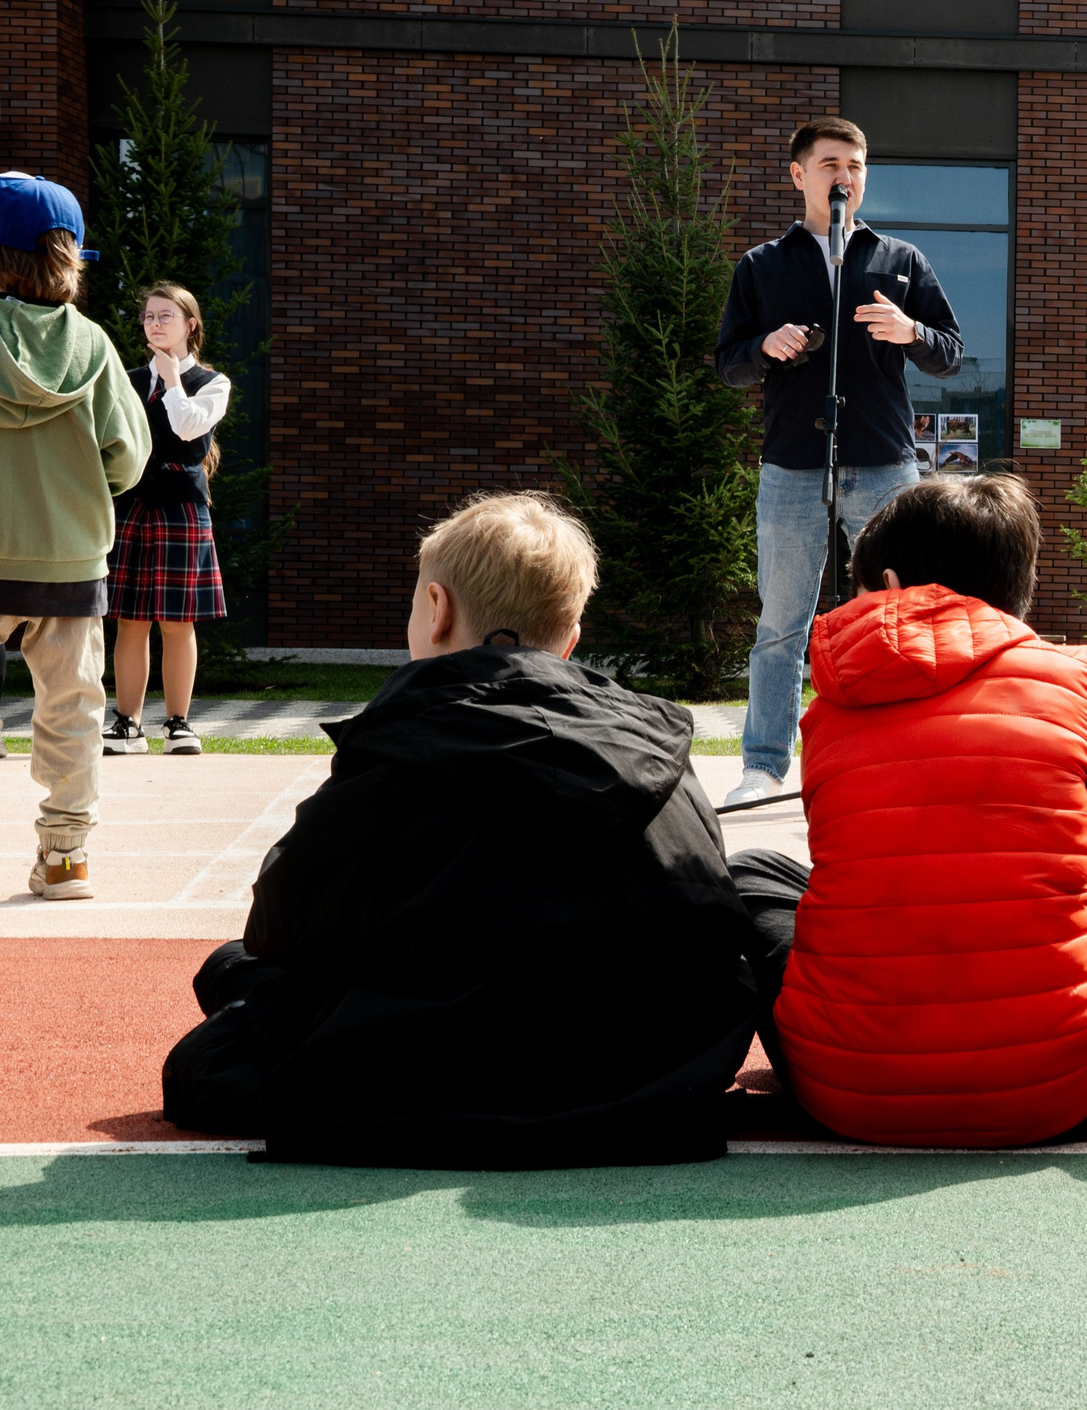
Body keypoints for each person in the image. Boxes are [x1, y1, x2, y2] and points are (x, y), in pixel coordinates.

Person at [161, 493, 758, 1166]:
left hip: (441, 1061)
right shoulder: (660, 753)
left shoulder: (401, 754)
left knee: (228, 989)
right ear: (570, 638)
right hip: (637, 1071)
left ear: (437, 610)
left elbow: (279, 925)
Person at [727, 473, 1087, 1146]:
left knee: (752, 875)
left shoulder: (829, 709)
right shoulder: (1081, 680)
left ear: (888, 584)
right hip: (1056, 1086)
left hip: (846, 1089)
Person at [712, 116, 964, 811]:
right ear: (799, 175)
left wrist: (910, 331)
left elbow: (949, 350)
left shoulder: (900, 260)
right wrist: (766, 345)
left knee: (903, 618)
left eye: (855, 165)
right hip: (793, 463)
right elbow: (727, 365)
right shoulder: (763, 266)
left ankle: (909, 760)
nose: (844, 176)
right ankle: (763, 767)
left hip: (884, 464)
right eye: (830, 164)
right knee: (780, 626)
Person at [0, 174, 150, 899]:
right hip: (69, 557)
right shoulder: (91, 345)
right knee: (72, 707)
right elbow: (129, 455)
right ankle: (64, 856)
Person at [102, 283, 232, 756]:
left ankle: (179, 724)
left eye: (166, 316)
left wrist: (172, 377)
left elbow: (186, 427)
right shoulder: (128, 380)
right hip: (133, 506)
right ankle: (126, 724)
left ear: (189, 324)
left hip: (181, 509)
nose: (154, 324)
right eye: (148, 317)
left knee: (178, 623)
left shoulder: (213, 383)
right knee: (130, 620)